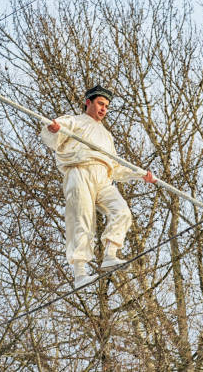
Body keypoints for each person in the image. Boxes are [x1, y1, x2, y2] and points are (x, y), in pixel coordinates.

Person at [40, 85, 156, 288]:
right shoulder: (75, 121)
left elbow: (116, 167)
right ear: (88, 103)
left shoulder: (107, 136)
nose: (104, 109)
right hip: (80, 171)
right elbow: (54, 133)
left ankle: (110, 253)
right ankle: (80, 273)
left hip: (103, 178)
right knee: (82, 219)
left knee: (122, 212)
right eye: (101, 104)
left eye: (107, 106)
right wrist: (54, 128)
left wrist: (139, 175)